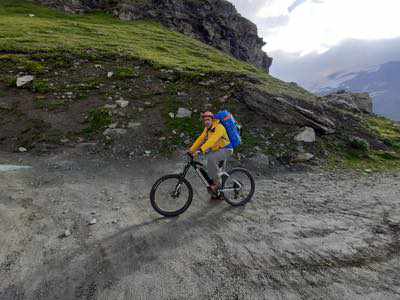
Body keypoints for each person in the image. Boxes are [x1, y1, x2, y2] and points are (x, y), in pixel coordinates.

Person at [187, 111, 233, 199]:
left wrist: (201, 150)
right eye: (204, 120)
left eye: (208, 120)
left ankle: (217, 186)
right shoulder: (207, 129)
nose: (206, 122)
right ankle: (218, 193)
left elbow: (212, 140)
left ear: (212, 120)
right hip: (217, 150)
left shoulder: (219, 127)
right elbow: (200, 139)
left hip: (226, 149)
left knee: (211, 160)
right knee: (213, 169)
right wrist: (191, 150)